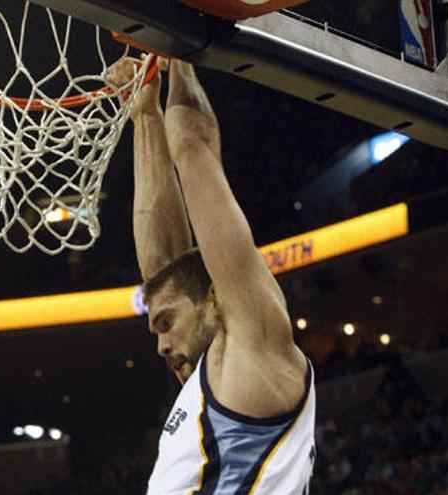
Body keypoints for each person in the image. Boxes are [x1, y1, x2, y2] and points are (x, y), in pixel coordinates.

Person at [122, 58, 317, 494]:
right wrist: (144, 114)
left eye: (166, 324)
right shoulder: (220, 380)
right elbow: (164, 270)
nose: (160, 346)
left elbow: (194, 148)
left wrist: (179, 49)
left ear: (215, 296)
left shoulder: (257, 350)